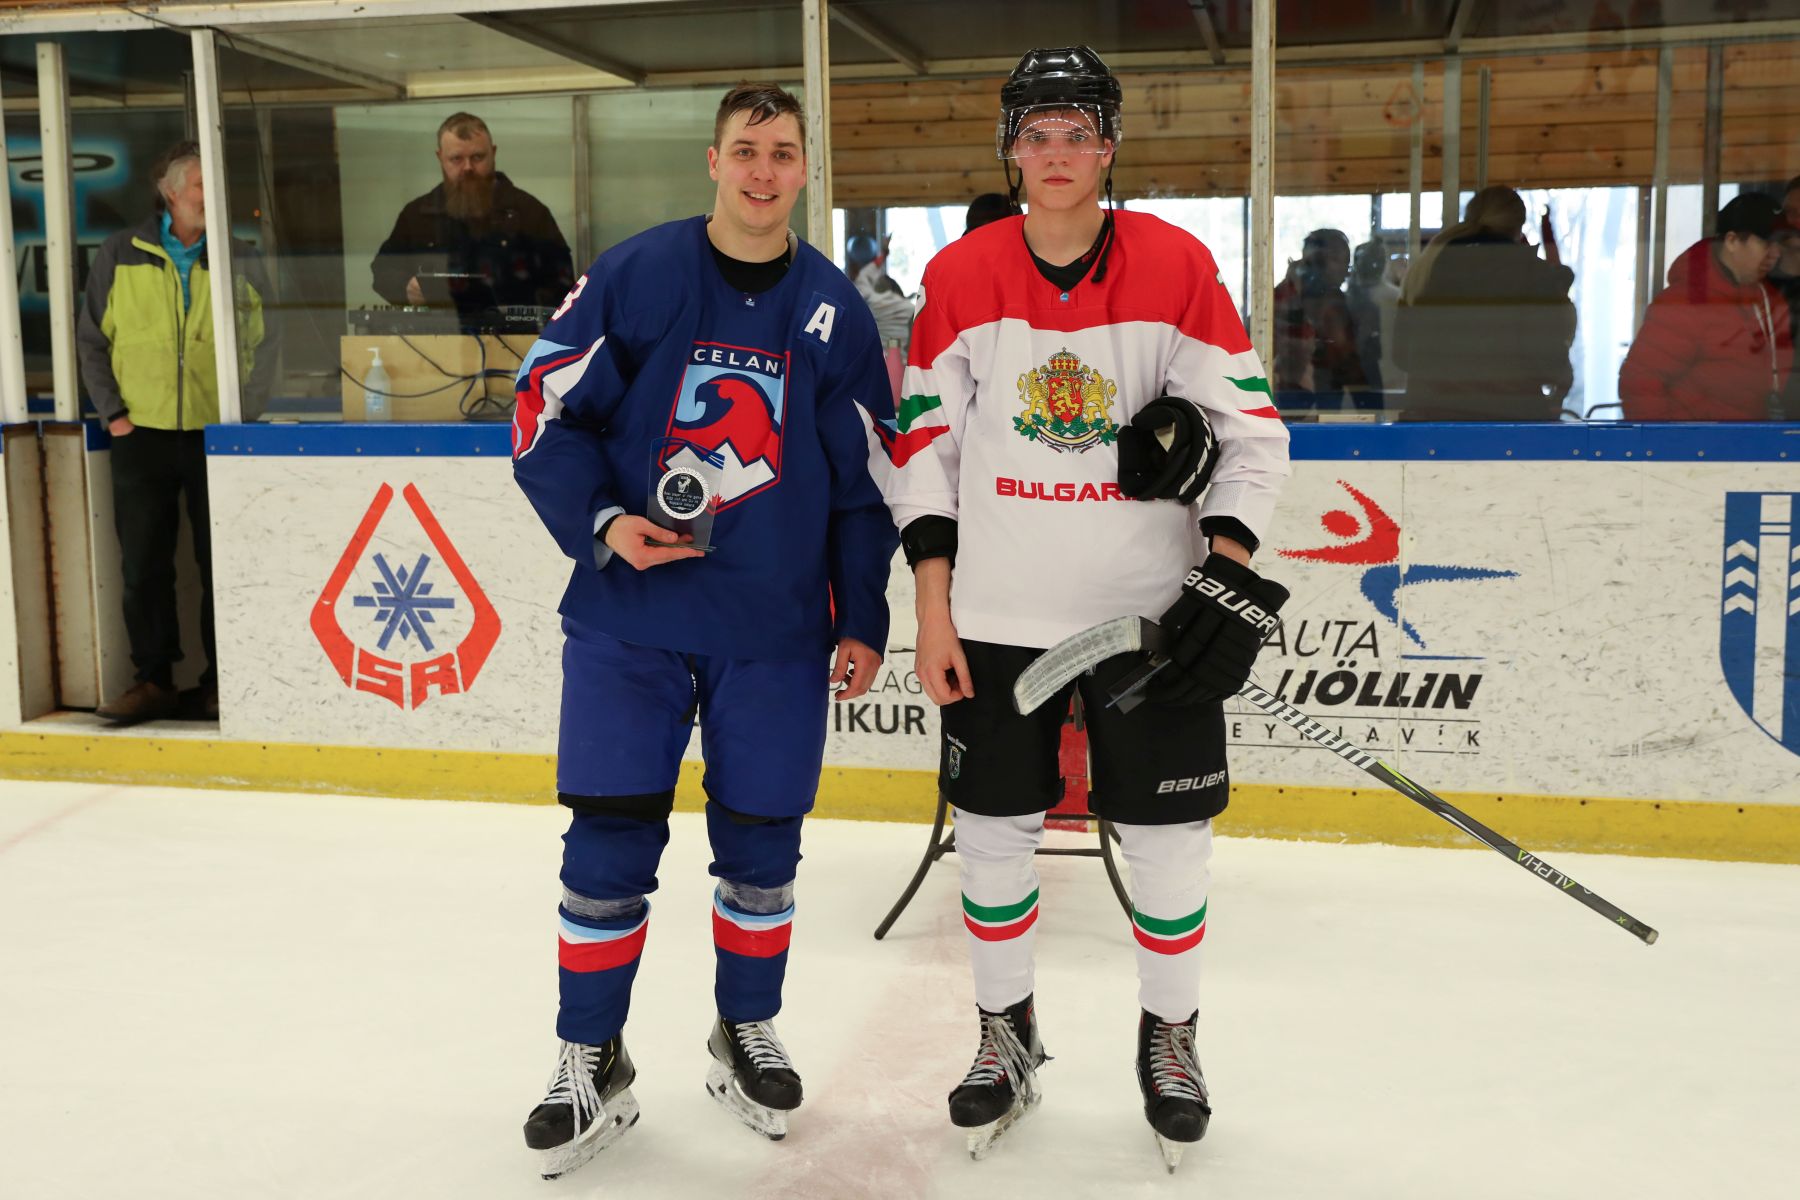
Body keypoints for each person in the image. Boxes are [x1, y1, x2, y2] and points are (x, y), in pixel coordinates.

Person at [883, 46, 1290, 1171]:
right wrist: (932, 607)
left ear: (1108, 148)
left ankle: (1172, 1040)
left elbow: (1251, 435)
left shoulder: (1177, 265)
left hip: (1144, 617)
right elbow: (923, 452)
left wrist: (1224, 566)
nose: (1056, 153)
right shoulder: (960, 275)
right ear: (1010, 151)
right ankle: (1004, 1036)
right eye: (1036, 134)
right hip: (998, 614)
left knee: (1168, 845)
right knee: (992, 837)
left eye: (1077, 133)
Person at [508, 82, 899, 1180]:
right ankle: (592, 1055)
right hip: (631, 620)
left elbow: (866, 482)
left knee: (764, 848)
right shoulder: (638, 274)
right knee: (606, 844)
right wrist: (602, 521)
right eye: (746, 150)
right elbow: (543, 407)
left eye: (784, 153)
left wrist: (864, 615)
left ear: (805, 170)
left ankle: (745, 1028)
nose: (764, 171)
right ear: (714, 162)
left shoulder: (834, 311)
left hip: (774, 626)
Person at [76, 139, 276, 725]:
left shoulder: (239, 256)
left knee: (224, 564)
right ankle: (154, 680)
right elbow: (92, 342)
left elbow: (269, 342)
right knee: (144, 566)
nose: (211, 196)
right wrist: (116, 416)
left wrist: (244, 417)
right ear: (170, 192)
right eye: (200, 185)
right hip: (141, 434)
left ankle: (222, 684)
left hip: (219, 436)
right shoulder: (121, 252)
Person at [1392, 187, 1576, 421]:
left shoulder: (1427, 268)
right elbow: (1549, 360)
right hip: (1509, 418)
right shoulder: (1533, 274)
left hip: (1429, 416)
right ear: (1518, 226)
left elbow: (1402, 355)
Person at [370, 112, 574, 321]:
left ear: (493, 153)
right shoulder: (417, 215)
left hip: (515, 337)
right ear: (440, 157)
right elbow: (383, 272)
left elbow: (563, 284)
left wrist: (523, 307)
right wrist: (405, 288)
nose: (467, 168)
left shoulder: (530, 213)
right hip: (436, 335)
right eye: (456, 159)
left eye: (477, 157)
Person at [1620, 193, 1791, 422]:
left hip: (1754, 440)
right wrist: (1668, 441)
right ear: (1732, 241)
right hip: (1697, 442)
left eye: (1779, 244)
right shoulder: (1684, 304)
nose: (1775, 254)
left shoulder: (1769, 301)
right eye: (1766, 243)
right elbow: (1640, 383)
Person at [1271, 227, 1368, 409]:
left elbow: (1350, 361)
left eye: (1347, 265)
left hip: (1329, 391)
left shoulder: (1344, 304)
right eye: (1338, 261)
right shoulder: (1284, 298)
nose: (1346, 273)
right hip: (1289, 394)